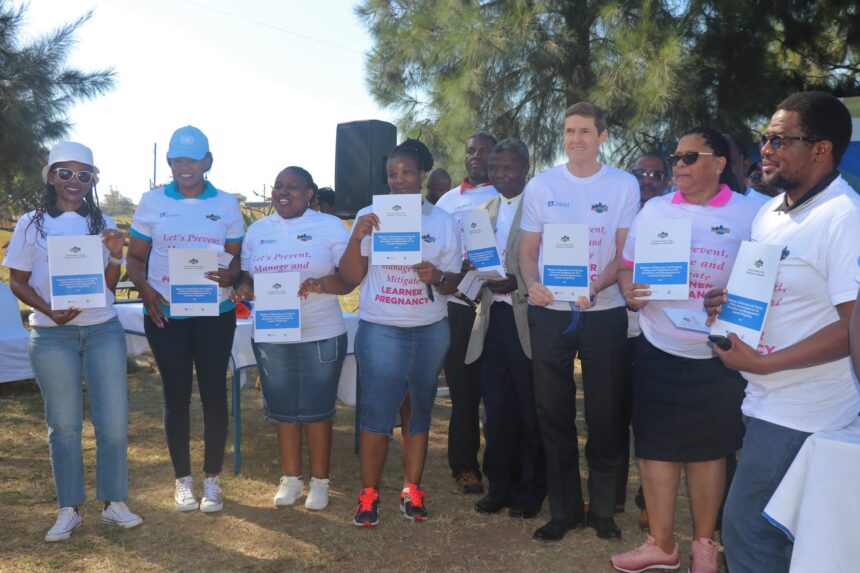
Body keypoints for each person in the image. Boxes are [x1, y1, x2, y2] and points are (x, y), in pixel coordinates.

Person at [706, 91, 860, 573]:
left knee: (748, 530)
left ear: (822, 148)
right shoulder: (769, 214)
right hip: (764, 398)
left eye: (779, 140)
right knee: (789, 538)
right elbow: (773, 294)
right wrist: (727, 304)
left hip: (807, 410)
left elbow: (851, 326)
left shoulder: (844, 218)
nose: (765, 150)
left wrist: (763, 363)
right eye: (764, 138)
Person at [610, 128, 759, 573]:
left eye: (691, 157)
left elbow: (767, 278)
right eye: (677, 156)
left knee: (709, 451)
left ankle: (703, 545)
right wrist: (630, 292)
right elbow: (626, 268)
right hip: (658, 345)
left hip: (718, 354)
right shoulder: (654, 209)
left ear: (719, 163)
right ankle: (660, 543)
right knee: (655, 446)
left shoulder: (752, 211)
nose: (679, 165)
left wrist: (735, 297)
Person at [4, 142, 142, 541]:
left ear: (93, 181)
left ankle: (114, 503)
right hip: (51, 336)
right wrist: (47, 310)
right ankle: (69, 508)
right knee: (63, 425)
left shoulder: (103, 221)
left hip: (102, 330)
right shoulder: (31, 223)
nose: (75, 182)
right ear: (50, 176)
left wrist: (115, 257)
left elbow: (109, 290)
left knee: (112, 422)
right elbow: (17, 280)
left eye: (85, 175)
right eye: (66, 173)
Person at [519, 101, 639, 541]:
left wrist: (598, 285)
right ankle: (564, 510)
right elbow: (528, 251)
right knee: (553, 414)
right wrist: (532, 283)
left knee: (605, 416)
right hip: (549, 314)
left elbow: (625, 253)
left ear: (602, 136)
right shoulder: (541, 185)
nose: (576, 139)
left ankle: (603, 510)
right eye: (569, 131)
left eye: (585, 131)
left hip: (603, 312)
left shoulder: (623, 185)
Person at [338, 139, 462, 526]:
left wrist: (437, 276)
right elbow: (349, 277)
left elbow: (452, 282)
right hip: (381, 329)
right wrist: (358, 236)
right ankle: (369, 493)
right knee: (376, 411)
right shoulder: (368, 214)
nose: (398, 180)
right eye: (392, 174)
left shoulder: (442, 221)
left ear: (423, 175)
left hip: (429, 330)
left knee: (418, 409)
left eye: (407, 172)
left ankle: (412, 489)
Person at [127, 126, 244, 514]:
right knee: (175, 396)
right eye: (178, 160)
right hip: (165, 313)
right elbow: (135, 258)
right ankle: (183, 481)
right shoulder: (151, 201)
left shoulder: (227, 204)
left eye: (193, 160)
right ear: (170, 163)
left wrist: (232, 275)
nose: (185, 167)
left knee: (213, 392)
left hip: (216, 312)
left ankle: (212, 481)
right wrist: (143, 289)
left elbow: (236, 258)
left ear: (207, 162)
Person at [232, 167, 351, 511]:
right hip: (273, 332)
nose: (283, 192)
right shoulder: (257, 231)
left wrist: (321, 284)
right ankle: (291, 478)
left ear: (310, 193)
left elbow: (347, 277)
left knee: (318, 411)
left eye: (293, 188)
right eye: (278, 187)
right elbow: (248, 279)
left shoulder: (328, 226)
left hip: (321, 331)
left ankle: (320, 482)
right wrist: (243, 289)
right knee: (283, 410)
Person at [465, 138, 546, 520]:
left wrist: (521, 283)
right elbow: (477, 259)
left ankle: (530, 491)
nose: (499, 174)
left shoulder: (543, 206)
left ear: (526, 167)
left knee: (531, 409)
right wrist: (475, 272)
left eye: (508, 167)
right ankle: (499, 486)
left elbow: (559, 262)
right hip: (490, 319)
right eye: (494, 168)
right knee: (495, 409)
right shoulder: (483, 209)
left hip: (526, 320)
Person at [435, 131, 498, 494]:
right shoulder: (446, 201)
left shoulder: (505, 196)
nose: (476, 157)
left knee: (500, 393)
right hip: (458, 307)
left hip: (498, 306)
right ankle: (465, 466)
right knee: (463, 393)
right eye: (471, 150)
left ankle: (501, 462)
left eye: (484, 152)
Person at [623, 152, 672, 525]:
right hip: (616, 329)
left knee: (650, 423)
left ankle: (647, 501)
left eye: (656, 174)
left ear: (666, 180)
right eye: (641, 172)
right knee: (611, 418)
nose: (648, 179)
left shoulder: (671, 217)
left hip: (658, 336)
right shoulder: (619, 212)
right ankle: (610, 498)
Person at [723, 133, 770, 204]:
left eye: (728, 162)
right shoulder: (700, 207)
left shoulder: (768, 207)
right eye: (713, 162)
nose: (719, 169)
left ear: (745, 165)